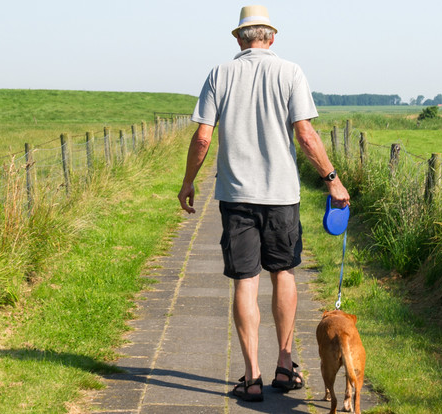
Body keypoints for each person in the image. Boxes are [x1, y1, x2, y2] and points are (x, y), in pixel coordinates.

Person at [177, 5, 350, 403]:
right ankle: (285, 367)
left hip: (236, 195)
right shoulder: (291, 72)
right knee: (284, 274)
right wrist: (333, 181)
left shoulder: (219, 73)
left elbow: (203, 137)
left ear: (239, 38)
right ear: (271, 37)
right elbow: (305, 134)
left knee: (245, 280)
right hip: (281, 195)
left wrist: (188, 181)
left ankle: (252, 376)